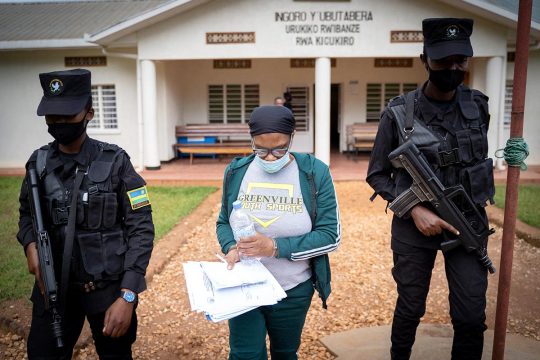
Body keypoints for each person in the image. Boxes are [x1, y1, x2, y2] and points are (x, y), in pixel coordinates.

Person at [366, 18, 495, 360]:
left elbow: (478, 158)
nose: (452, 68)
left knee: (470, 317)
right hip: (413, 228)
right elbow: (376, 174)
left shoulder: (478, 106)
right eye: (442, 61)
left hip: (467, 222)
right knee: (410, 308)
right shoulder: (398, 113)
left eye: (460, 61)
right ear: (425, 60)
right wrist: (414, 209)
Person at [17, 68, 154, 359]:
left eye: (68, 117)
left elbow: (141, 227)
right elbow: (26, 213)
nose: (59, 124)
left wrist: (127, 295)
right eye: (52, 118)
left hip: (107, 290)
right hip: (53, 290)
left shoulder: (116, 161)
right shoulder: (37, 163)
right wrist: (30, 246)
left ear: (89, 114)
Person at [216, 105, 341, 359]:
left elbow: (330, 235)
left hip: (292, 289)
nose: (271, 157)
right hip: (244, 286)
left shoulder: (314, 173)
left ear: (292, 137)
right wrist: (231, 247)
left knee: (285, 352)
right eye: (261, 149)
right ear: (251, 140)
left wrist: (274, 247)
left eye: (279, 149)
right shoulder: (236, 172)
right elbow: (223, 222)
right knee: (245, 354)